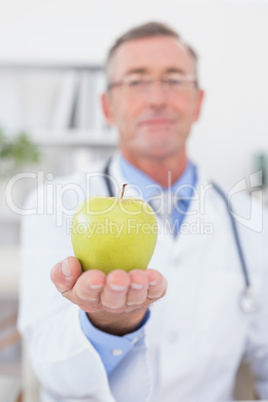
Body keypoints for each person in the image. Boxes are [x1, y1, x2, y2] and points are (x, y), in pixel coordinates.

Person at [18, 21, 268, 402]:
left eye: (174, 80)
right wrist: (106, 325)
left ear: (198, 101)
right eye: (136, 81)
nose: (157, 99)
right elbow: (50, 364)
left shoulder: (251, 221)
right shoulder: (54, 204)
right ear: (107, 105)